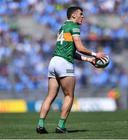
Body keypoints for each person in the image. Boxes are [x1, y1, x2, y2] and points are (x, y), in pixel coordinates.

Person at [36, 6, 105, 134]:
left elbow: (73, 52)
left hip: (54, 62)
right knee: (69, 96)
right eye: (80, 14)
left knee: (50, 96)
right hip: (64, 63)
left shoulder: (63, 27)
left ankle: (40, 124)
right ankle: (60, 126)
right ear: (73, 16)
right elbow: (79, 47)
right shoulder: (74, 27)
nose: (83, 16)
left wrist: (89, 60)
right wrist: (95, 54)